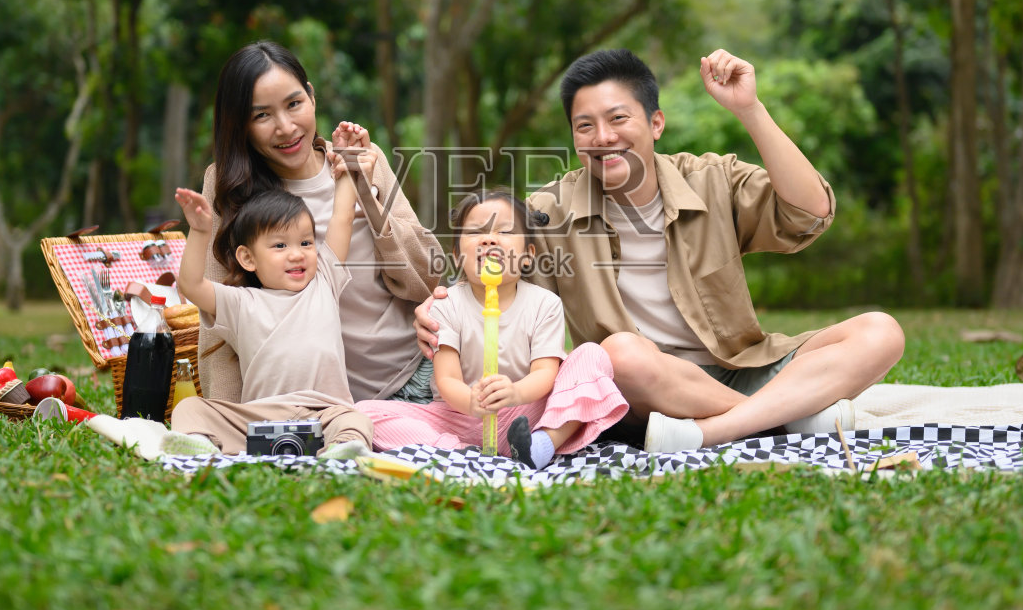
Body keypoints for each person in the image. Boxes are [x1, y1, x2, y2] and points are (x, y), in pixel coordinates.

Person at [416, 48, 905, 453]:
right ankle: (790, 415)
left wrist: (749, 109)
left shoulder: (712, 179)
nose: (602, 137)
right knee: (620, 354)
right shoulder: (549, 210)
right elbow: (488, 267)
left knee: (880, 332)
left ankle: (716, 431)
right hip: (644, 390)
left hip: (742, 370)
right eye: (584, 126)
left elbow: (810, 213)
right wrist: (439, 308)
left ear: (656, 123)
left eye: (618, 118)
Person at [193, 42, 442, 407]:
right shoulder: (227, 187)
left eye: (294, 104)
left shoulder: (364, 162)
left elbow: (428, 275)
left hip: (417, 372)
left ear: (312, 97)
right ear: (240, 125)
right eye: (261, 116)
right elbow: (218, 323)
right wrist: (230, 419)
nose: (286, 127)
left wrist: (365, 192)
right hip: (326, 406)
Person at [360, 191, 627, 468]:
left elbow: (545, 373)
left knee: (592, 356)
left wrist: (515, 394)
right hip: (460, 417)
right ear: (457, 255)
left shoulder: (544, 304)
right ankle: (458, 451)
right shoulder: (446, 305)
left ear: (527, 256)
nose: (488, 239)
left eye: (504, 231)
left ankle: (541, 445)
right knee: (365, 413)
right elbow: (448, 378)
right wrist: (471, 401)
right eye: (476, 232)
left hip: (527, 413)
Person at [165, 123, 376, 455]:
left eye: (306, 242)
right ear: (248, 258)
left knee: (357, 419)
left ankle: (342, 450)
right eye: (279, 246)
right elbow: (191, 284)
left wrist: (349, 166)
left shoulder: (324, 281)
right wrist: (200, 231)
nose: (297, 253)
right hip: (259, 421)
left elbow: (341, 218)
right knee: (190, 408)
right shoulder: (240, 302)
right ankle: (200, 444)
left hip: (324, 413)